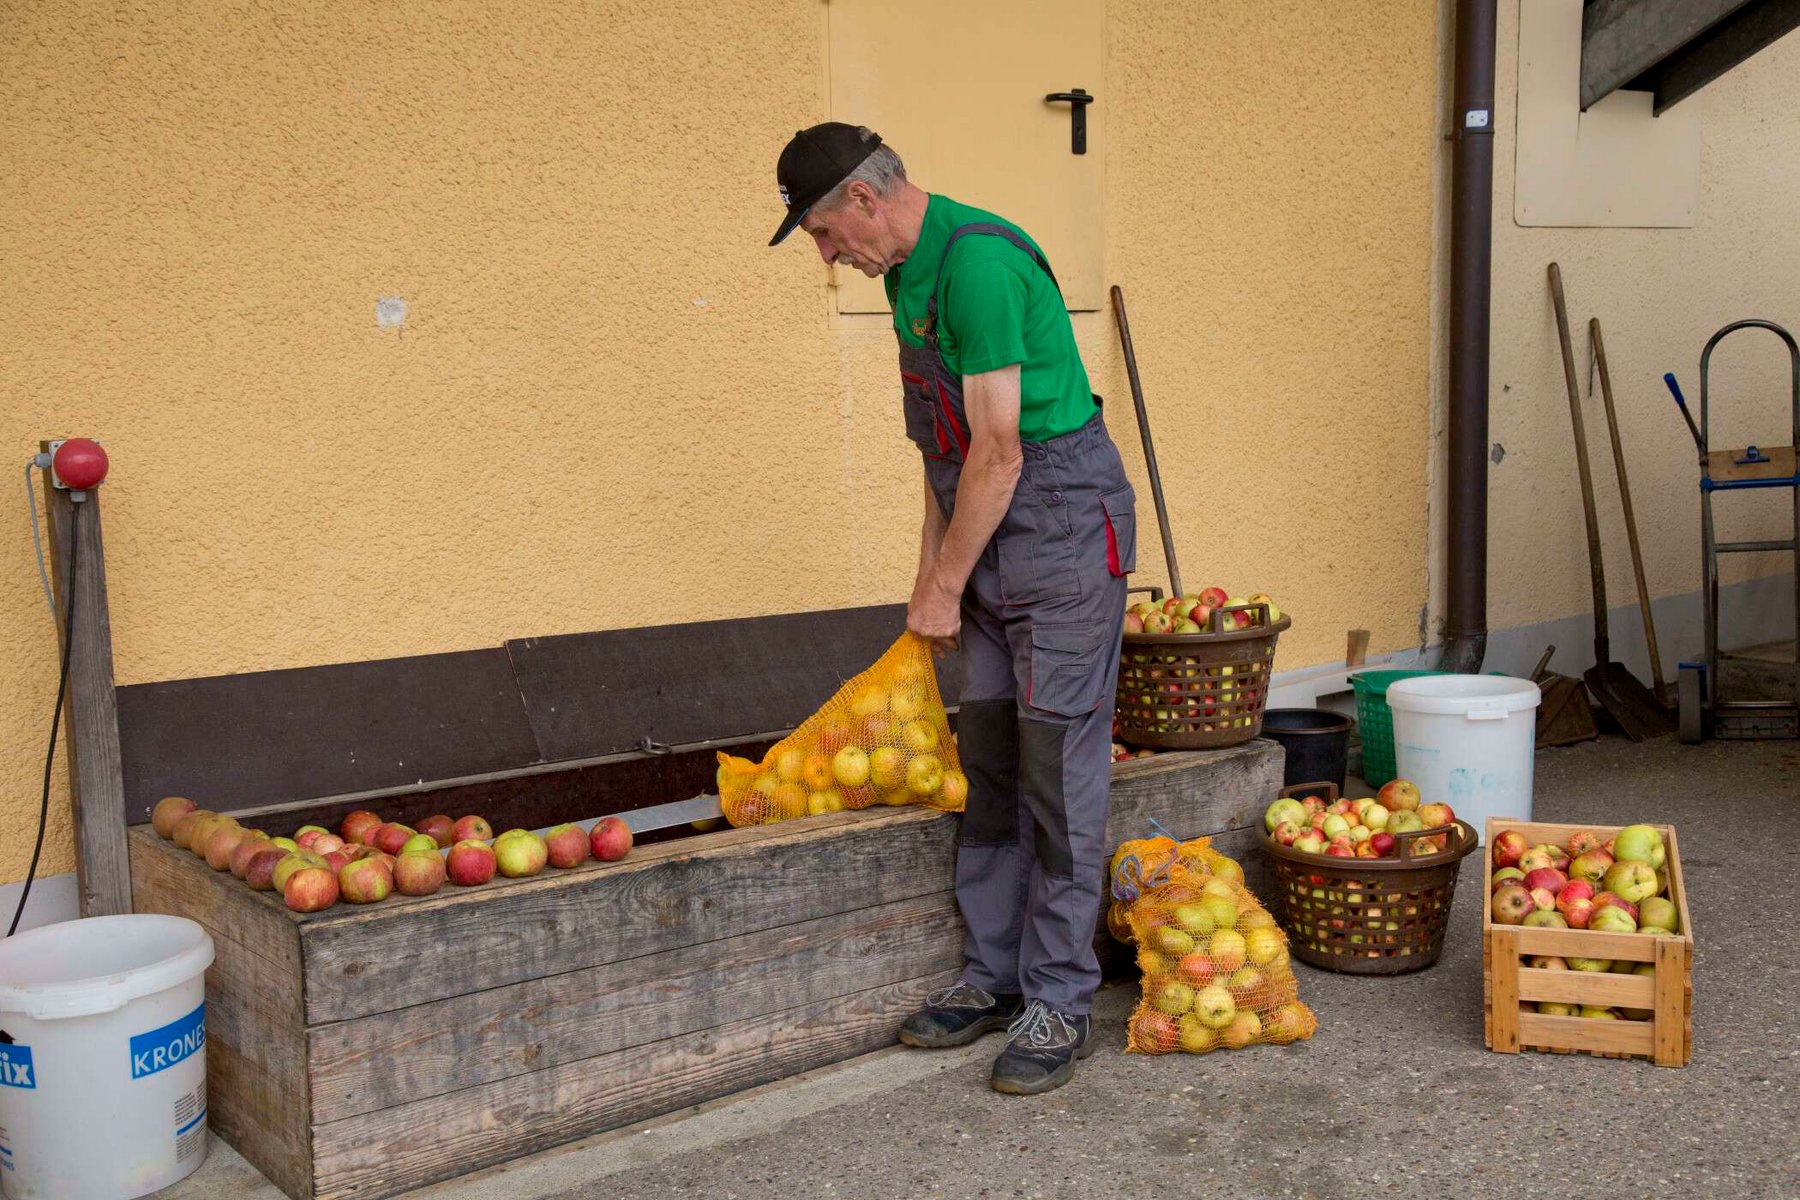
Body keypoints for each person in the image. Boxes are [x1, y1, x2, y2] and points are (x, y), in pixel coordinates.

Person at [770, 123, 1136, 1096]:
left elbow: (1003, 452)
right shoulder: (907, 280)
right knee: (989, 759)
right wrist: (929, 574)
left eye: (819, 230)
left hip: (1057, 525)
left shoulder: (975, 264)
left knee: (1056, 768)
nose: (825, 254)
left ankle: (1061, 997)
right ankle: (996, 976)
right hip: (982, 521)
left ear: (862, 201)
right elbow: (945, 456)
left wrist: (942, 585)